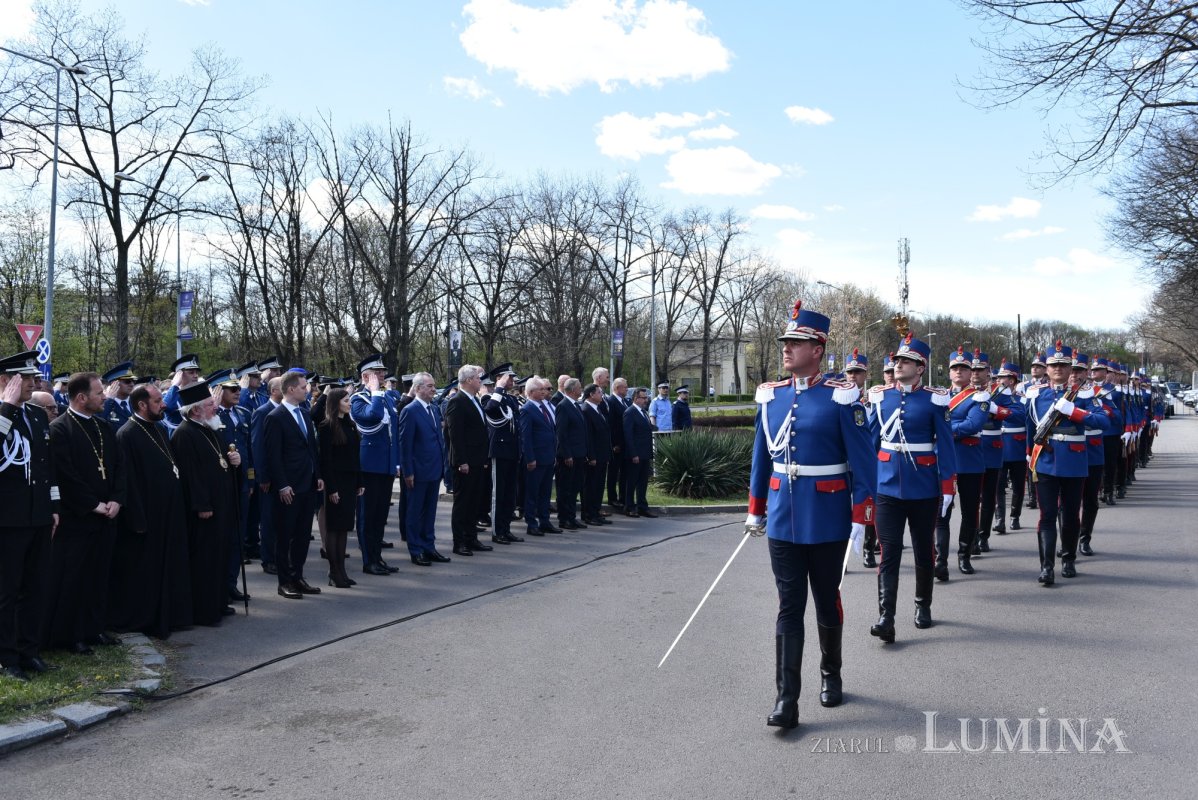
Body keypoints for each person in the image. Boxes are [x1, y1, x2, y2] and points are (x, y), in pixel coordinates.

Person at [745, 299, 876, 729]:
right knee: (788, 606)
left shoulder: (841, 397)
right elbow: (762, 458)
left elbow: (863, 461)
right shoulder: (772, 397)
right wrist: (756, 509)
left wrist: (861, 517)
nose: (786, 349)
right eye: (785, 342)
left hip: (827, 515)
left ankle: (831, 673)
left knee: (825, 599)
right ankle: (786, 699)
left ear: (817, 348)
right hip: (783, 515)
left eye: (795, 342)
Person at [867, 332, 956, 644]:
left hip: (923, 487)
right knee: (889, 552)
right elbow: (871, 442)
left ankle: (922, 605)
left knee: (923, 551)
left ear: (921, 368)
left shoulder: (935, 399)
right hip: (887, 485)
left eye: (906, 360)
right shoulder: (880, 397)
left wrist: (947, 487)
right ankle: (886, 617)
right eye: (898, 360)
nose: (898, 364)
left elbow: (945, 446)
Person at [43, 372, 126, 654]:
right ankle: (72, 634)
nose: (104, 397)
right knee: (74, 578)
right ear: (81, 398)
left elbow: (117, 468)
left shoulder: (104, 428)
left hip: (107, 515)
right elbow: (65, 474)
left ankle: (95, 628)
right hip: (79, 518)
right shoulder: (60, 429)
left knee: (99, 576)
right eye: (99, 393)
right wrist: (93, 504)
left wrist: (116, 499)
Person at [1025, 341, 1111, 584]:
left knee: (1071, 514)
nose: (1059, 369)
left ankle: (1069, 559)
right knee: (1047, 514)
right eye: (1054, 365)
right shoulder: (1036, 395)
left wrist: (1074, 411)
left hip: (1074, 460)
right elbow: (1030, 426)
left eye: (1064, 365)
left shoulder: (1083, 394)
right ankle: (1046, 566)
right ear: (1046, 368)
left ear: (1070, 367)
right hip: (1045, 459)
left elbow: (1103, 422)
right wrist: (1029, 454)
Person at [111, 382, 192, 637]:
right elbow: (128, 481)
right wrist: (137, 518)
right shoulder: (127, 434)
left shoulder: (156, 429)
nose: (164, 404)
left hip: (168, 513)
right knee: (147, 573)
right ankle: (147, 620)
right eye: (158, 401)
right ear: (142, 405)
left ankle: (170, 616)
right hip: (146, 516)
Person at [0, 352, 58, 679]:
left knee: (35, 587)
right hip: (7, 519)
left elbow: (45, 465)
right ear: (7, 380)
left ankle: (29, 650)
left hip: (37, 515)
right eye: (27, 378)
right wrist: (6, 409)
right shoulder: (3, 411)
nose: (35, 383)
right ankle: (7, 658)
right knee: (7, 592)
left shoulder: (36, 414)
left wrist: (52, 507)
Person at [172, 379, 242, 624]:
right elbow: (191, 476)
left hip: (221, 505)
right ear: (195, 410)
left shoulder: (210, 428)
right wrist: (202, 505)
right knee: (205, 562)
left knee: (220, 557)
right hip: (204, 511)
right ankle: (204, 610)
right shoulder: (184, 434)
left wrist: (234, 460)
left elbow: (222, 461)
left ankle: (219, 602)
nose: (215, 408)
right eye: (210, 405)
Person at [264, 371, 324, 599]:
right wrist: (282, 485)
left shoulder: (305, 413)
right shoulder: (275, 417)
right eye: (302, 386)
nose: (306, 389)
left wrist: (317, 474)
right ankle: (284, 581)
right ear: (290, 389)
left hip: (307, 484)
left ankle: (298, 576)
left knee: (302, 534)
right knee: (286, 535)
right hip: (289, 486)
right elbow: (273, 455)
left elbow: (311, 448)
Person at [935, 346, 990, 579]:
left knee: (969, 512)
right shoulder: (938, 397)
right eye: (955, 368)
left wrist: (943, 431)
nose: (959, 372)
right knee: (941, 513)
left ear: (971, 372)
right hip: (943, 461)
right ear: (949, 373)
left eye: (963, 368)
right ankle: (940, 560)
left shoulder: (979, 397)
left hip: (968, 460)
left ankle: (964, 555)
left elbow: (973, 424)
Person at [350, 355, 401, 576]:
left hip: (386, 465)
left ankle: (377, 557)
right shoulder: (359, 399)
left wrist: (396, 463)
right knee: (367, 516)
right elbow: (373, 416)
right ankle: (368, 560)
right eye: (377, 372)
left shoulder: (387, 398)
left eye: (382, 372)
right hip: (369, 466)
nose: (382, 376)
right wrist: (376, 392)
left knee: (380, 516)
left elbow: (394, 433)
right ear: (365, 376)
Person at [210, 368, 253, 605]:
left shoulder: (242, 413)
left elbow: (248, 449)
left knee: (238, 534)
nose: (238, 392)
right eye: (232, 389)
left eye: (238, 388)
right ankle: (220, 585)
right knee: (224, 536)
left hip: (242, 482)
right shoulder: (213, 416)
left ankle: (232, 583)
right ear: (218, 391)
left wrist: (251, 479)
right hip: (224, 483)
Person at [398, 372, 450, 566]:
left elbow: (438, 440)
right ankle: (416, 549)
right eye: (429, 386)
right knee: (414, 512)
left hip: (434, 469)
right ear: (418, 388)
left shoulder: (434, 409)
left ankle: (429, 546)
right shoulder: (410, 411)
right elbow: (406, 444)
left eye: (433, 385)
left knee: (430, 512)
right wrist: (408, 471)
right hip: (418, 471)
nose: (433, 389)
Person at [445, 364, 493, 556]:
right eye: (477, 377)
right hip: (465, 462)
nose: (480, 380)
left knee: (474, 502)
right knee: (463, 504)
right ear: (467, 380)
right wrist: (461, 461)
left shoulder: (474, 400)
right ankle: (460, 542)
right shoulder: (457, 401)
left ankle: (471, 538)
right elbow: (455, 434)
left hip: (477, 460)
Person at [317, 388, 362, 588]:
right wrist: (332, 488)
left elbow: (355, 456)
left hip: (350, 482)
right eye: (346, 400)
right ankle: (334, 572)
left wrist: (360, 481)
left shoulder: (351, 425)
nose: (349, 403)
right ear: (336, 403)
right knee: (334, 529)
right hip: (335, 482)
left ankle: (342, 570)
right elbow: (325, 460)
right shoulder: (326, 426)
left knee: (344, 528)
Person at [972, 351, 1009, 554]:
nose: (976, 373)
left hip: (991, 449)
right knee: (970, 499)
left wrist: (995, 409)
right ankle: (969, 536)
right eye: (974, 369)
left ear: (989, 372)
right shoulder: (963, 393)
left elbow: (1015, 413)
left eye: (980, 370)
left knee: (988, 497)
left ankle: (983, 536)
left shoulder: (1001, 393)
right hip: (968, 449)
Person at [483, 364, 524, 545]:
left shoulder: (511, 399)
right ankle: (497, 531)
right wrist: (498, 387)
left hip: (512, 451)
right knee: (498, 494)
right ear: (499, 378)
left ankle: (506, 528)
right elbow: (491, 409)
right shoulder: (489, 397)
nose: (512, 381)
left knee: (509, 494)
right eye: (509, 378)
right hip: (499, 451)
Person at [251, 377, 283, 575]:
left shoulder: (286, 411)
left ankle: (279, 556)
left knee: (282, 519)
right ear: (273, 391)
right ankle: (268, 559)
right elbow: (258, 447)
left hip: (284, 475)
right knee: (269, 519)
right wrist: (262, 476)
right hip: (269, 477)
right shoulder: (262, 412)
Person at [519, 376, 559, 536]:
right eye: (540, 389)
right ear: (530, 392)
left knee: (545, 492)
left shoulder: (544, 407)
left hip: (548, 456)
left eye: (544, 389)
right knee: (532, 492)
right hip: (536, 459)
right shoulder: (527, 409)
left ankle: (545, 521)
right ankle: (531, 522)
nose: (543, 392)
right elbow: (525, 437)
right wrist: (530, 458)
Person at [994, 360, 1029, 532]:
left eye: (1004, 378)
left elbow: (1025, 420)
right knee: (998, 485)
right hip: (998, 444)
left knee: (1018, 486)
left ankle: (1015, 516)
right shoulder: (994, 397)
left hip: (1017, 445)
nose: (1000, 381)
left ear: (1013, 380)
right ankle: (999, 519)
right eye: (999, 377)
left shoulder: (1022, 399)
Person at [555, 378, 589, 530]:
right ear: (572, 390)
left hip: (579, 454)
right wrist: (567, 454)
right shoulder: (563, 406)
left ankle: (572, 517)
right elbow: (561, 433)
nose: (581, 390)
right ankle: (564, 518)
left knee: (575, 487)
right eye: (579, 387)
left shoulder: (576, 405)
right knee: (566, 488)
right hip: (569, 456)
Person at [580, 383, 612, 526]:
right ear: (591, 394)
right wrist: (591, 456)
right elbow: (588, 436)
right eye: (599, 392)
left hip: (602, 455)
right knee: (591, 486)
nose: (602, 395)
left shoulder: (598, 408)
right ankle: (588, 514)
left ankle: (596, 512)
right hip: (594, 456)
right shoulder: (586, 410)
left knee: (599, 486)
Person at [622, 387, 655, 518]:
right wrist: (633, 453)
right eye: (643, 397)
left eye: (646, 397)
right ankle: (629, 506)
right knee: (632, 481)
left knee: (643, 481)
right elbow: (628, 435)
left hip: (645, 452)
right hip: (635, 454)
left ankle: (642, 506)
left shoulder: (643, 412)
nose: (646, 399)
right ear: (636, 399)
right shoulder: (630, 412)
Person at [161, 354, 202, 433]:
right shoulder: (169, 395)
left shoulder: (196, 394)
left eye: (196, 372)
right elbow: (167, 407)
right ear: (179, 375)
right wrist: (175, 385)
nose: (196, 376)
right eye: (191, 372)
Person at [606, 377, 629, 509]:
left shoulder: (625, 401)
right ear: (617, 388)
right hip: (617, 445)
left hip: (625, 443)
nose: (627, 389)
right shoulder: (611, 401)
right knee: (613, 472)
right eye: (625, 387)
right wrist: (614, 444)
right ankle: (612, 498)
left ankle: (623, 497)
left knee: (624, 472)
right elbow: (612, 425)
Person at [100, 361, 137, 430]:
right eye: (127, 381)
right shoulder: (105, 404)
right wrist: (109, 400)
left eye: (133, 381)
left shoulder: (136, 403)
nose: (132, 384)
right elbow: (99, 421)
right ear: (114, 384)